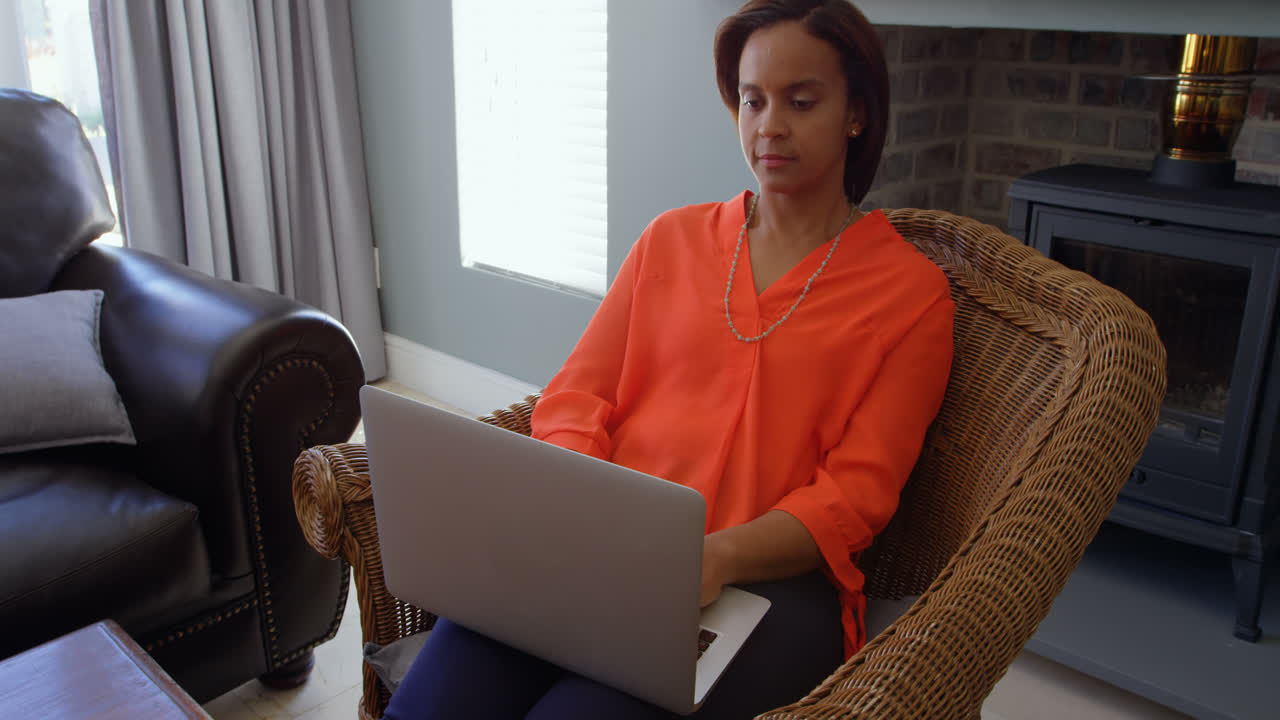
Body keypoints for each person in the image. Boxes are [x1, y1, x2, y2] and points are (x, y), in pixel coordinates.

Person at [384, 1, 954, 718]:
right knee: (436, 700)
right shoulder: (671, 241)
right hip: (611, 552)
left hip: (770, 587)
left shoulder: (911, 296)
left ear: (857, 114)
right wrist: (585, 506)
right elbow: (574, 399)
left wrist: (711, 559)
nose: (768, 126)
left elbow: (852, 500)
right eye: (751, 101)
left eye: (801, 102)